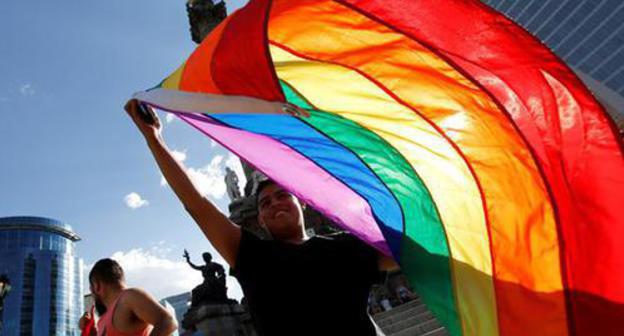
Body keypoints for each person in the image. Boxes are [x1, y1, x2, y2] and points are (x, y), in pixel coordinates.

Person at [125, 99, 398, 335]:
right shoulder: (252, 256)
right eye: (265, 203)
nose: (275, 203)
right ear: (261, 220)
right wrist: (154, 138)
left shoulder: (345, 247)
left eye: (282, 195)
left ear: (301, 202)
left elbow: (409, 254)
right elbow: (197, 204)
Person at [88, 258, 178, 336]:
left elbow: (168, 321)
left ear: (96, 285)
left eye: (90, 288)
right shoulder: (101, 321)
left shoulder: (129, 297)